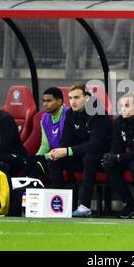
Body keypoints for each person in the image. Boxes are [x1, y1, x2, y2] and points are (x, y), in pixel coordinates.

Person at [47, 83, 112, 217]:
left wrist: (68, 151)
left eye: (76, 97)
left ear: (87, 97)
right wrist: (59, 151)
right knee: (54, 160)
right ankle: (59, 204)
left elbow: (96, 145)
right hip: (80, 156)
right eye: (70, 98)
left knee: (89, 158)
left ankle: (85, 206)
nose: (73, 102)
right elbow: (66, 139)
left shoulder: (98, 113)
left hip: (101, 158)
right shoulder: (70, 113)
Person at [102, 93, 134, 218]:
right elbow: (117, 146)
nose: (123, 109)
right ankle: (130, 205)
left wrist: (118, 157)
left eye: (127, 105)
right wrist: (111, 156)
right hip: (130, 156)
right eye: (121, 106)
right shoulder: (119, 122)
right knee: (109, 166)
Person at [23, 87, 67, 179]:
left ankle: (30, 188)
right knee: (29, 161)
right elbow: (45, 146)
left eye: (49, 101)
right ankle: (25, 188)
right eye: (44, 101)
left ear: (59, 101)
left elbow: (66, 144)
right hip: (52, 155)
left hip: (64, 154)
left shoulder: (68, 115)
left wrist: (43, 157)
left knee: (40, 162)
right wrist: (36, 158)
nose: (45, 104)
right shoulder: (44, 118)